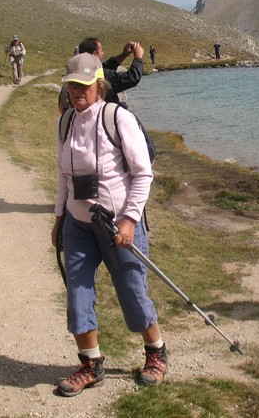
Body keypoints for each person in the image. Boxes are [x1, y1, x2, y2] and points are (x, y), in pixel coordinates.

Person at [52, 53, 167, 396]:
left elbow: (143, 174)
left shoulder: (118, 118)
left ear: (99, 84)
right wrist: (59, 218)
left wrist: (130, 219)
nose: (77, 91)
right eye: (71, 85)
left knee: (132, 293)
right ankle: (91, 364)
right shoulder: (65, 122)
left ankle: (156, 352)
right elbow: (63, 176)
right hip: (78, 225)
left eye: (84, 84)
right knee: (78, 294)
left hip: (118, 226)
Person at [58, 37, 145, 113]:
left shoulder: (76, 73)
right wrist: (138, 57)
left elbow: (106, 66)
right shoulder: (99, 76)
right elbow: (132, 78)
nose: (103, 53)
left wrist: (124, 54)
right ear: (95, 54)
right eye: (101, 51)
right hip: (104, 119)